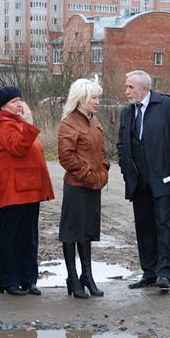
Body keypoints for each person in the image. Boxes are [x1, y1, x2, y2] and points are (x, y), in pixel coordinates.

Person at [116, 70, 170, 291]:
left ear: (144, 89)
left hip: (163, 177)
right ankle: (149, 271)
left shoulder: (165, 105)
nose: (127, 91)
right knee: (143, 226)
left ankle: (165, 274)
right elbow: (121, 144)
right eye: (127, 87)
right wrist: (127, 172)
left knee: (163, 225)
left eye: (130, 87)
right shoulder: (128, 113)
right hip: (139, 181)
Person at [0, 86, 54, 296]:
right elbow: (18, 147)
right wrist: (29, 123)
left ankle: (28, 279)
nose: (19, 104)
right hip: (13, 191)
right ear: (3, 106)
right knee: (11, 237)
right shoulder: (3, 126)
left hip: (29, 190)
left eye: (20, 100)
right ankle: (8, 280)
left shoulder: (17, 124)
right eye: (14, 101)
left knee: (29, 236)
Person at [58, 78, 109, 299]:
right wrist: (88, 174)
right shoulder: (69, 122)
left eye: (98, 97)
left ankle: (86, 276)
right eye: (94, 97)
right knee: (71, 232)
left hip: (93, 184)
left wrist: (103, 169)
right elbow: (66, 157)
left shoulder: (94, 121)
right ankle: (72, 277)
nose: (98, 101)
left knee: (87, 231)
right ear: (81, 99)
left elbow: (100, 151)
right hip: (77, 186)